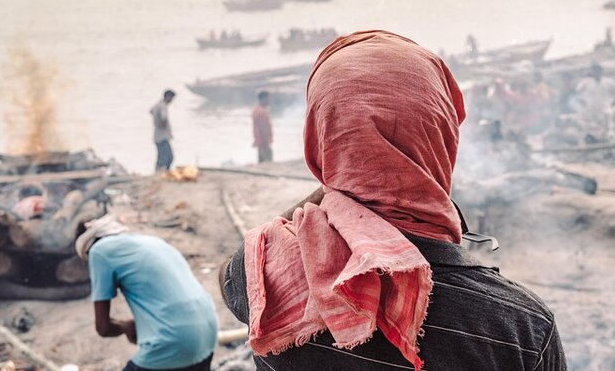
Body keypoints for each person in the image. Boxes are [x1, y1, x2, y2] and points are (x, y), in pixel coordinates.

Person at [219, 30, 566, 370]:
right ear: (443, 135)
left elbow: (234, 273)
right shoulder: (522, 327)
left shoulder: (265, 278)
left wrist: (340, 183)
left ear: (318, 136)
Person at [77, 215, 218, 371]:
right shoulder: (153, 241)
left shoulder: (99, 251)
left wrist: (125, 326)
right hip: (209, 334)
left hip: (173, 340)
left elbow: (103, 328)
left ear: (87, 246)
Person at [151, 90, 176, 172]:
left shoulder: (158, 104)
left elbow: (151, 111)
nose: (171, 101)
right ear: (168, 97)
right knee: (167, 157)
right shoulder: (163, 106)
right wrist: (162, 125)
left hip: (158, 136)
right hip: (163, 136)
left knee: (162, 156)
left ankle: (160, 171)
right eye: (171, 98)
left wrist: (156, 121)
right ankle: (162, 172)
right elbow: (163, 118)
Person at [252, 91, 273, 163]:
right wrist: (267, 141)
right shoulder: (262, 112)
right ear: (263, 99)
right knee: (267, 162)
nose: (269, 101)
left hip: (259, 141)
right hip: (263, 142)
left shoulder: (256, 109)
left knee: (261, 162)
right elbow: (263, 128)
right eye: (268, 99)